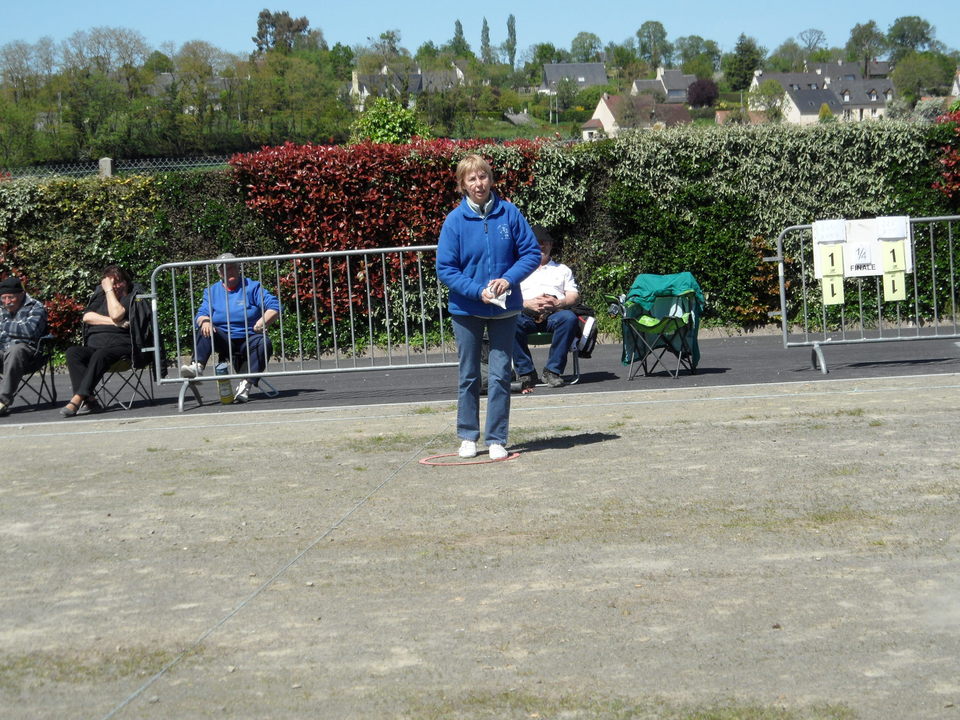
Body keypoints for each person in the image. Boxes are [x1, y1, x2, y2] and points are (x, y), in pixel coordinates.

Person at [436, 154, 540, 460]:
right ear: (462, 185)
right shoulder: (454, 221)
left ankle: (497, 438)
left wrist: (508, 280)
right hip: (466, 310)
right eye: (471, 179)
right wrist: (476, 291)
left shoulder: (509, 213)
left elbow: (531, 253)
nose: (478, 183)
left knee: (499, 375)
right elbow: (446, 268)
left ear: (490, 179)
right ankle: (468, 435)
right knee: (469, 375)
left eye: (483, 176)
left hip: (505, 310)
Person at [179, 253, 280, 403]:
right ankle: (197, 367)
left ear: (238, 269)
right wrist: (205, 321)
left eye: (232, 267)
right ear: (219, 273)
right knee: (205, 328)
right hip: (224, 339)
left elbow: (274, 306)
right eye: (225, 269)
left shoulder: (252, 287)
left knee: (264, 343)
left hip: (250, 336)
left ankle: (246, 385)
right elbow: (201, 314)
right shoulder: (211, 291)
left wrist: (261, 322)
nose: (229, 271)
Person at [512, 226, 581, 390]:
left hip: (554, 315)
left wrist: (559, 303)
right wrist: (526, 303)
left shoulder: (562, 269)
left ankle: (552, 371)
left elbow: (574, 295)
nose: (540, 246)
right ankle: (526, 373)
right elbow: (507, 295)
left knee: (569, 318)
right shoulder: (518, 268)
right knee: (510, 320)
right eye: (536, 243)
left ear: (550, 245)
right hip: (525, 314)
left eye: (544, 243)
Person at [61, 266, 135, 417]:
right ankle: (90, 401)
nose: (116, 286)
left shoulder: (131, 297)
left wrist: (109, 291)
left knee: (101, 354)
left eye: (119, 282)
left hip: (123, 347)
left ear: (126, 283)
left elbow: (116, 314)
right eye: (111, 283)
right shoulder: (100, 297)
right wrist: (114, 323)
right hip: (96, 346)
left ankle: (78, 398)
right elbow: (87, 317)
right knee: (73, 352)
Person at [0, 276, 48, 417]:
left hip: (29, 353)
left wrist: (3, 325)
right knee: (11, 350)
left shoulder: (35, 307)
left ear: (21, 294)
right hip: (3, 351)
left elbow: (28, 331)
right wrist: (14, 328)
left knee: (16, 349)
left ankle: (3, 400)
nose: (7, 302)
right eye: (3, 298)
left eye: (11, 297)